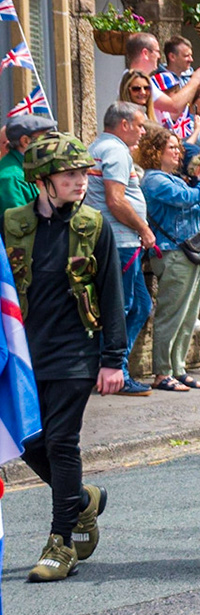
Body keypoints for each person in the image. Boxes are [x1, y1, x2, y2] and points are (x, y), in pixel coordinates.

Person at [6, 132, 127, 582]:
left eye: (83, 174)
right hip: (25, 352)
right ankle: (81, 499)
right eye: (70, 174)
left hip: (77, 351)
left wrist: (113, 359)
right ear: (43, 181)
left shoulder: (94, 225)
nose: (80, 182)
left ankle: (60, 543)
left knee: (60, 441)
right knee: (28, 442)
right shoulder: (13, 223)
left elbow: (113, 297)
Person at [137, 127, 200, 393]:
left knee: (188, 315)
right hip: (172, 253)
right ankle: (161, 372)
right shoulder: (154, 180)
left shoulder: (172, 178)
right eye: (172, 148)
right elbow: (186, 199)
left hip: (188, 251)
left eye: (179, 148)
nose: (179, 152)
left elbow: (195, 202)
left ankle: (178, 368)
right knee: (171, 315)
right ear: (155, 151)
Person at [85, 103, 156, 395]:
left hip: (118, 241)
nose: (143, 131)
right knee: (122, 307)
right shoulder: (115, 151)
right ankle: (114, 371)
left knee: (140, 304)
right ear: (124, 124)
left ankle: (113, 367)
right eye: (139, 125)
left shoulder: (99, 146)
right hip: (121, 242)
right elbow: (116, 200)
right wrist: (143, 228)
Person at [0, 112, 56, 210]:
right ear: (25, 141)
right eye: (45, 138)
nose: (50, 143)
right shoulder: (12, 178)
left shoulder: (27, 166)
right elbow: (16, 221)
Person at [150, 34, 200, 119]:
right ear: (172, 57)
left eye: (191, 55)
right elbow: (172, 112)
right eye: (186, 56)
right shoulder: (163, 79)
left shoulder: (189, 78)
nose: (191, 59)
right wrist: (195, 81)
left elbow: (190, 107)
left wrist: (199, 83)